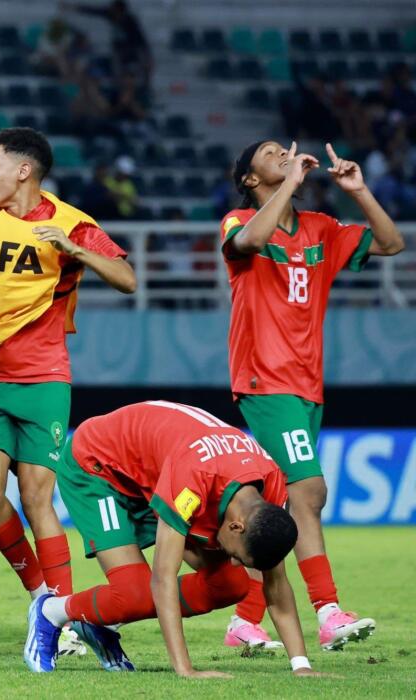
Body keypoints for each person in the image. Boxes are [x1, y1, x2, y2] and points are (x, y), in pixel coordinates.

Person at [0, 128, 134, 651]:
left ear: (23, 171)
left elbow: (127, 278)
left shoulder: (72, 223)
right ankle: (41, 592)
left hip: (46, 379)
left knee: (36, 498)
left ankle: (62, 616)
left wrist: (76, 251)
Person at [221, 140, 404, 650]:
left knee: (278, 502)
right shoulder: (238, 221)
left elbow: (390, 244)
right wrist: (293, 186)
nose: (283, 154)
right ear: (250, 179)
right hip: (263, 379)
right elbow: (252, 240)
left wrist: (359, 191)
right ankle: (327, 610)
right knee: (310, 492)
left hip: (307, 385)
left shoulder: (322, 228)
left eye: (286, 150)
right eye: (270, 153)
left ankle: (244, 619)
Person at [26, 401, 318, 678]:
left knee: (231, 583)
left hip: (155, 475)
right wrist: (185, 669)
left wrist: (301, 665)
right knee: (135, 594)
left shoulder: (271, 488)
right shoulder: (194, 480)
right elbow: (163, 577)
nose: (232, 560)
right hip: (97, 468)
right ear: (237, 526)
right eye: (239, 556)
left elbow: (276, 584)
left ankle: (99, 618)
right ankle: (50, 611)